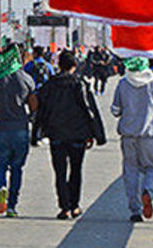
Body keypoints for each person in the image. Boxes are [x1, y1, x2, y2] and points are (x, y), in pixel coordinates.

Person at [33, 50, 106, 220]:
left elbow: (41, 111)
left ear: (59, 65)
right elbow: (90, 110)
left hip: (56, 134)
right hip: (77, 135)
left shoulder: (50, 85)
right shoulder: (79, 83)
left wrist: (36, 133)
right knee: (76, 170)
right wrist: (97, 134)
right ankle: (74, 206)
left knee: (60, 172)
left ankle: (64, 207)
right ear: (75, 65)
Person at [111, 57, 153, 222]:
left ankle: (135, 210)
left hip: (128, 135)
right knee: (151, 167)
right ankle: (148, 191)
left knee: (131, 170)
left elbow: (115, 110)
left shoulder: (123, 84)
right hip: (149, 135)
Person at [0, 50, 36, 218]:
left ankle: (1, 187)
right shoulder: (27, 79)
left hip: (2, 128)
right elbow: (34, 106)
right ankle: (12, 206)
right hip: (21, 128)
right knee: (17, 168)